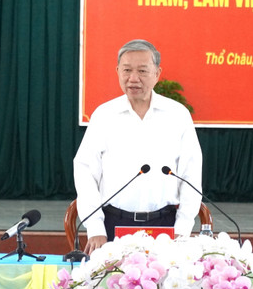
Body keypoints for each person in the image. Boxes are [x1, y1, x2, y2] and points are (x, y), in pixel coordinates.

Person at [73, 39, 203, 255]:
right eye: (127, 70)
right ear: (117, 72)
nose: (133, 78)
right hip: (112, 225)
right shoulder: (104, 115)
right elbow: (85, 172)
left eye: (142, 71)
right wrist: (95, 228)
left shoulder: (177, 115)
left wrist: (182, 230)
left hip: (166, 227)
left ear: (157, 74)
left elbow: (191, 175)